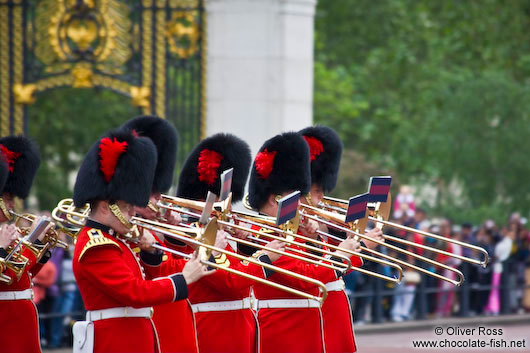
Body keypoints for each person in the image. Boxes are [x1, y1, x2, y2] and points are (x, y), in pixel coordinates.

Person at [72, 128, 212, 353]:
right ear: (107, 207)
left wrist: (150, 252)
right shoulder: (97, 246)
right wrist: (184, 279)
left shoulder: (116, 239)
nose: (132, 214)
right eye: (127, 208)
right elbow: (136, 294)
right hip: (116, 341)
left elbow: (147, 278)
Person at [248, 132, 362, 353]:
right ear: (275, 200)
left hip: (310, 329)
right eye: (297, 198)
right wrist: (340, 255)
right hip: (284, 332)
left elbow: (315, 268)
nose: (304, 203)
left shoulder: (290, 230)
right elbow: (305, 278)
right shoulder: (262, 234)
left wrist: (314, 241)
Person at [176, 132, 282, 353]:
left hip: (241, 329)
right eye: (218, 201)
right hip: (213, 332)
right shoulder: (193, 233)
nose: (227, 208)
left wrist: (244, 246)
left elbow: (239, 274)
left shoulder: (224, 230)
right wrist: (264, 257)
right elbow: (230, 282)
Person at [299, 125, 382, 352]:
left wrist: (357, 241)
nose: (322, 196)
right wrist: (362, 246)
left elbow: (341, 267)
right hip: (316, 310)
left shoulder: (318, 221)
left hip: (332, 309)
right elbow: (317, 272)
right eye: (317, 191)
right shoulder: (297, 225)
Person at [121, 115, 200, 353]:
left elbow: (176, 258)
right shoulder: (122, 229)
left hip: (172, 315)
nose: (158, 200)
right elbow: (156, 273)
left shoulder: (154, 225)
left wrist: (174, 233)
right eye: (152, 193)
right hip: (148, 320)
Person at [0, 136, 51, 353]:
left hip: (20, 317)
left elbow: (23, 274)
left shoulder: (6, 230)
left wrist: (41, 249)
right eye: (7, 198)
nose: (12, 205)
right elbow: (7, 276)